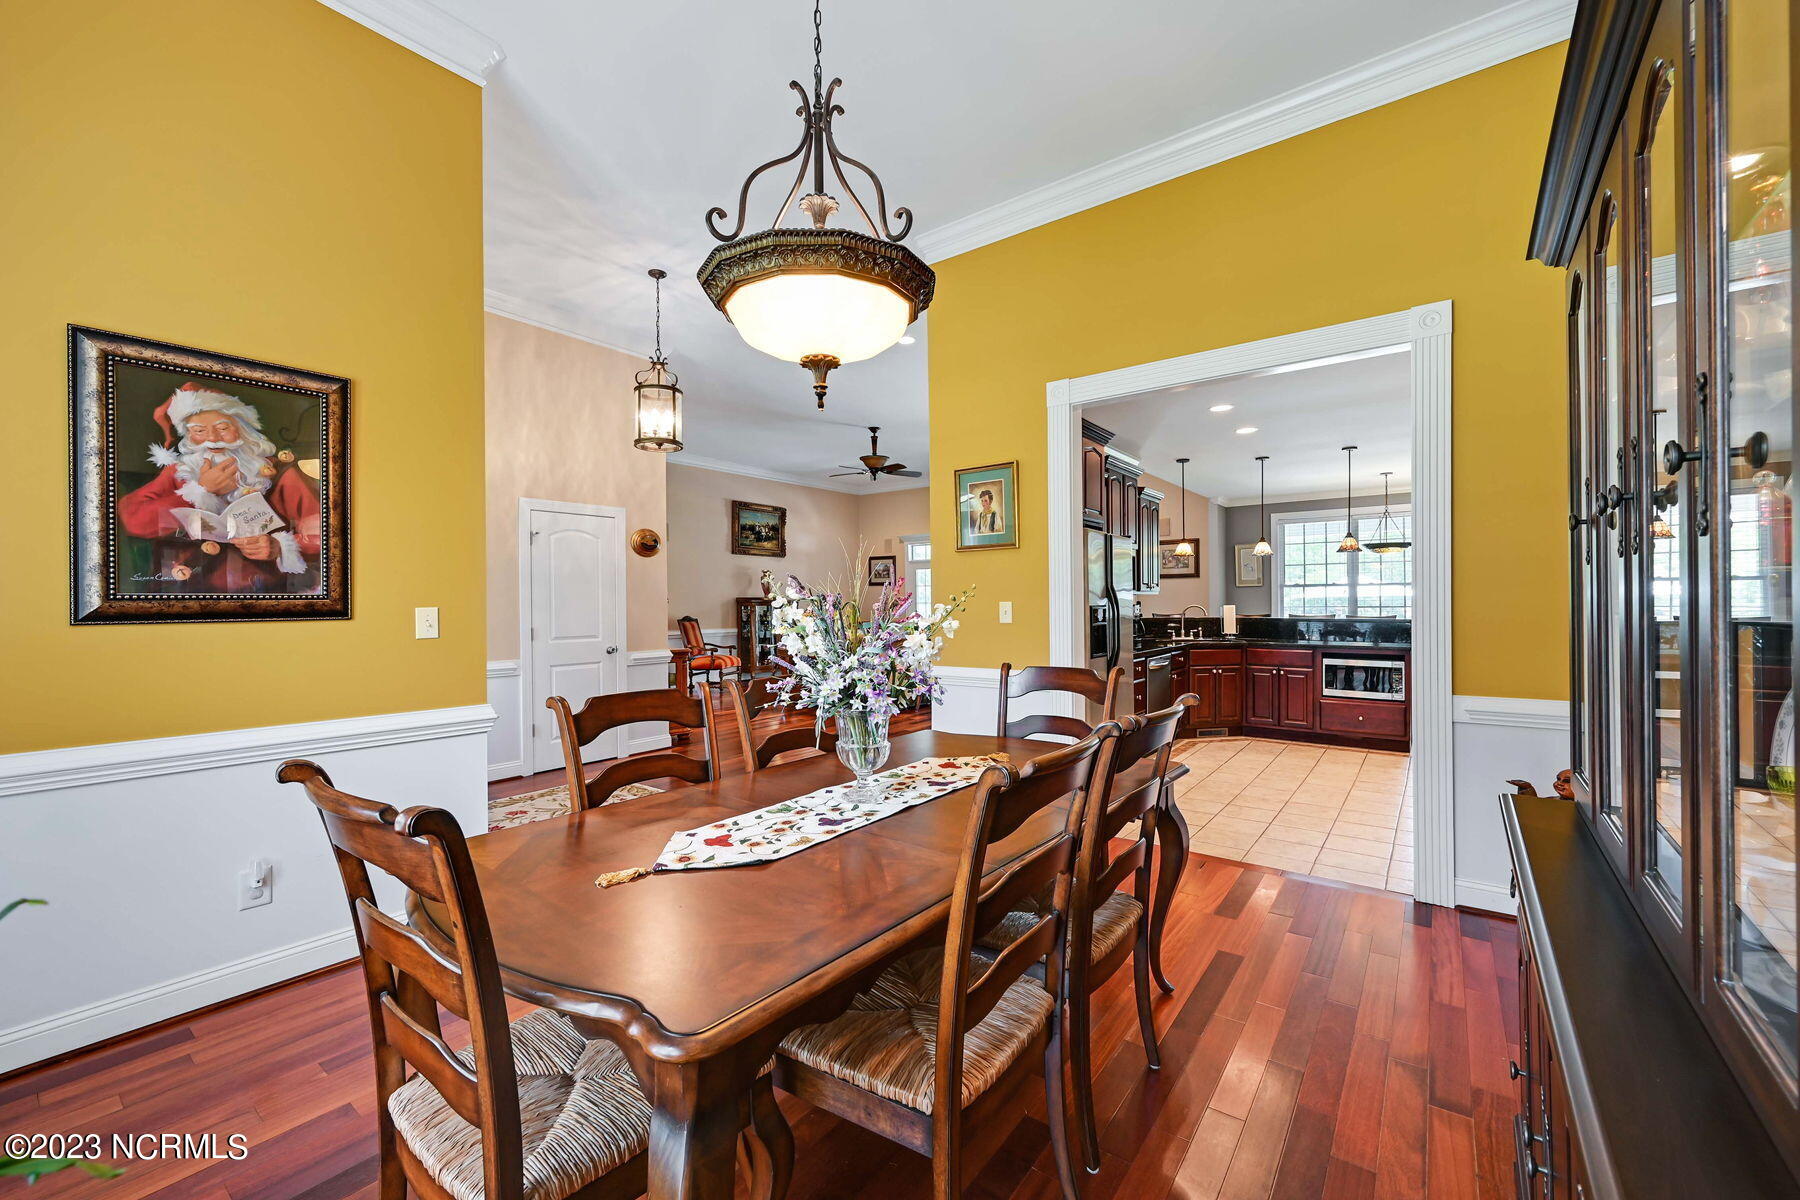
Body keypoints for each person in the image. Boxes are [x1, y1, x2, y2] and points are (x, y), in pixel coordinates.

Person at [117, 382, 321, 592]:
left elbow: (324, 534)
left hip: (263, 594)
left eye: (223, 428)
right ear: (189, 437)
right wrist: (201, 490)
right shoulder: (179, 472)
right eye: (199, 430)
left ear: (242, 429)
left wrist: (280, 547)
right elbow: (132, 519)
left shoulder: (279, 473)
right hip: (186, 591)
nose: (213, 439)